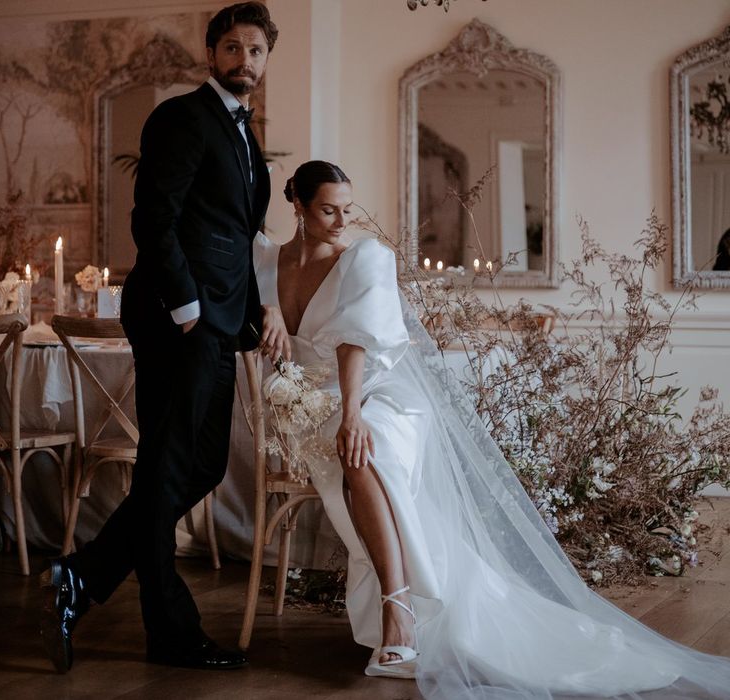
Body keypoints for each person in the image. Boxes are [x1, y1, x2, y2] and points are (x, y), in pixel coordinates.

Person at [253, 159, 730, 699]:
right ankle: (407, 600)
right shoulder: (265, 260)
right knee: (355, 448)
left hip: (377, 395)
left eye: (348, 210)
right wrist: (265, 307)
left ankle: (399, 613)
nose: (342, 222)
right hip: (309, 406)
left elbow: (354, 343)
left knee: (369, 447)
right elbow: (248, 309)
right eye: (328, 210)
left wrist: (355, 414)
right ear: (298, 206)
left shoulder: (365, 257)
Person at [39, 2, 289, 674]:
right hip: (179, 320)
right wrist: (186, 311)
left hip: (218, 321)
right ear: (212, 55)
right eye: (232, 48)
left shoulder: (240, 132)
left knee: (196, 464)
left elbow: (235, 239)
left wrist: (260, 307)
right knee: (173, 465)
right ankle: (171, 631)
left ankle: (83, 576)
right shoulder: (182, 117)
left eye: (257, 50)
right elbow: (155, 218)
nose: (245, 61)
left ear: (267, 59)